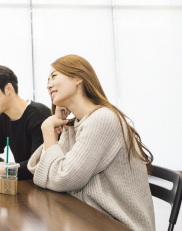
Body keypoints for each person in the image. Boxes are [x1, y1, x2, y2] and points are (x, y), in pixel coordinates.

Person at [27, 55, 154, 231]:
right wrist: (56, 125)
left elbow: (63, 179)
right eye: (47, 80)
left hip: (119, 224)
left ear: (78, 78)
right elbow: (38, 170)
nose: (48, 84)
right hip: (89, 217)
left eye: (54, 76)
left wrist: (48, 132)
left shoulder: (101, 119)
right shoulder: (76, 123)